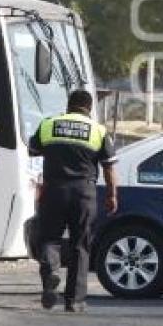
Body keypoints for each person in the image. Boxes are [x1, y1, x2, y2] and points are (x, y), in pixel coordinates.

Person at [29, 89, 119, 313]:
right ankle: (75, 301)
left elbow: (33, 150)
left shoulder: (50, 124)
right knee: (81, 245)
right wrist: (112, 195)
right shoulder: (98, 131)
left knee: (49, 238)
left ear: (69, 105)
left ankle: (51, 270)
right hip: (84, 193)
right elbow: (109, 167)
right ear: (89, 108)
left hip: (54, 190)